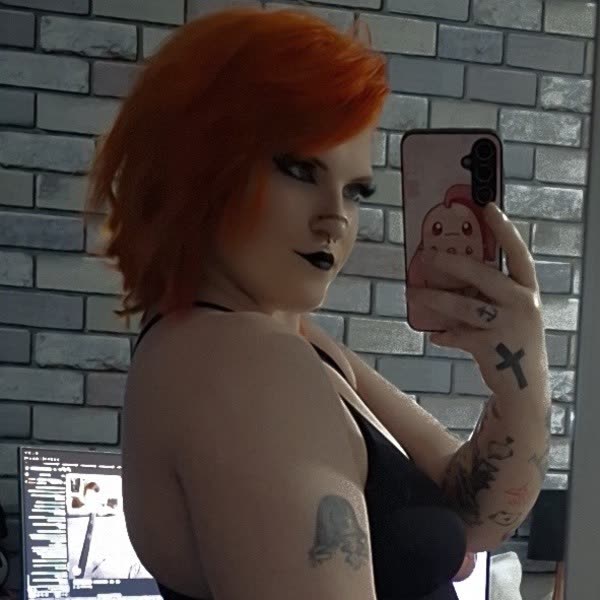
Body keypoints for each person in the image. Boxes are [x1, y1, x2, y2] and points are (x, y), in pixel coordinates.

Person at [84, 6, 551, 600]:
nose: (336, 218)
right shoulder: (245, 361)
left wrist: (520, 378)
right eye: (301, 170)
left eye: (355, 191)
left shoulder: (287, 340)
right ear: (199, 162)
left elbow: (474, 513)